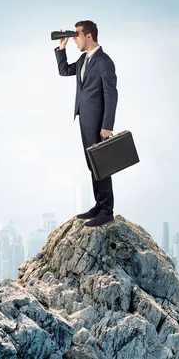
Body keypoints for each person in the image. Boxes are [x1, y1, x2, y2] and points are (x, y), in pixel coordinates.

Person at [54, 20, 118, 227]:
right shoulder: (83, 60)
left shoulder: (104, 62)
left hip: (99, 123)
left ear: (89, 36)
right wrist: (61, 48)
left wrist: (107, 125)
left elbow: (111, 95)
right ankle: (100, 205)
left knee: (102, 165)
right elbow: (63, 70)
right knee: (93, 165)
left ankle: (107, 210)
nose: (75, 40)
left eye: (77, 36)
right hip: (84, 119)